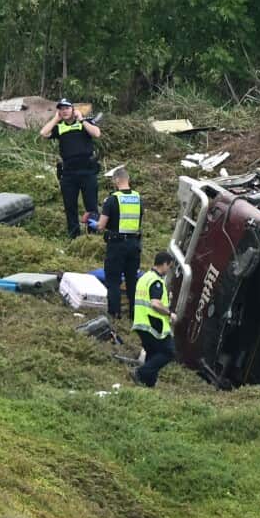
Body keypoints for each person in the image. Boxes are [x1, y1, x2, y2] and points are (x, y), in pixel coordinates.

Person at [40, 98, 102, 239]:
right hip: (68, 173)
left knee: (91, 205)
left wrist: (82, 120)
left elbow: (97, 133)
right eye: (61, 109)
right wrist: (55, 119)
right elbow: (43, 133)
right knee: (70, 206)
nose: (64, 111)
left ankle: (92, 235)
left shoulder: (84, 123)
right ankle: (74, 236)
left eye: (67, 108)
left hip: (87, 170)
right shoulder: (60, 127)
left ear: (73, 110)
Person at [96, 167, 143, 321]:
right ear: (127, 179)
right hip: (134, 244)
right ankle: (134, 314)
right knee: (132, 280)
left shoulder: (112, 200)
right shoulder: (138, 198)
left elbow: (101, 225)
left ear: (116, 180)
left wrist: (94, 223)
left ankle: (114, 313)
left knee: (113, 280)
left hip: (116, 245)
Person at [131, 251, 177, 388]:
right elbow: (155, 303)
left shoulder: (144, 278)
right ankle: (140, 373)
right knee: (169, 352)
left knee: (153, 353)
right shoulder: (156, 281)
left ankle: (148, 384)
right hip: (152, 324)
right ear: (164, 264)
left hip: (140, 322)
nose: (169, 270)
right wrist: (170, 314)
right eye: (169, 266)